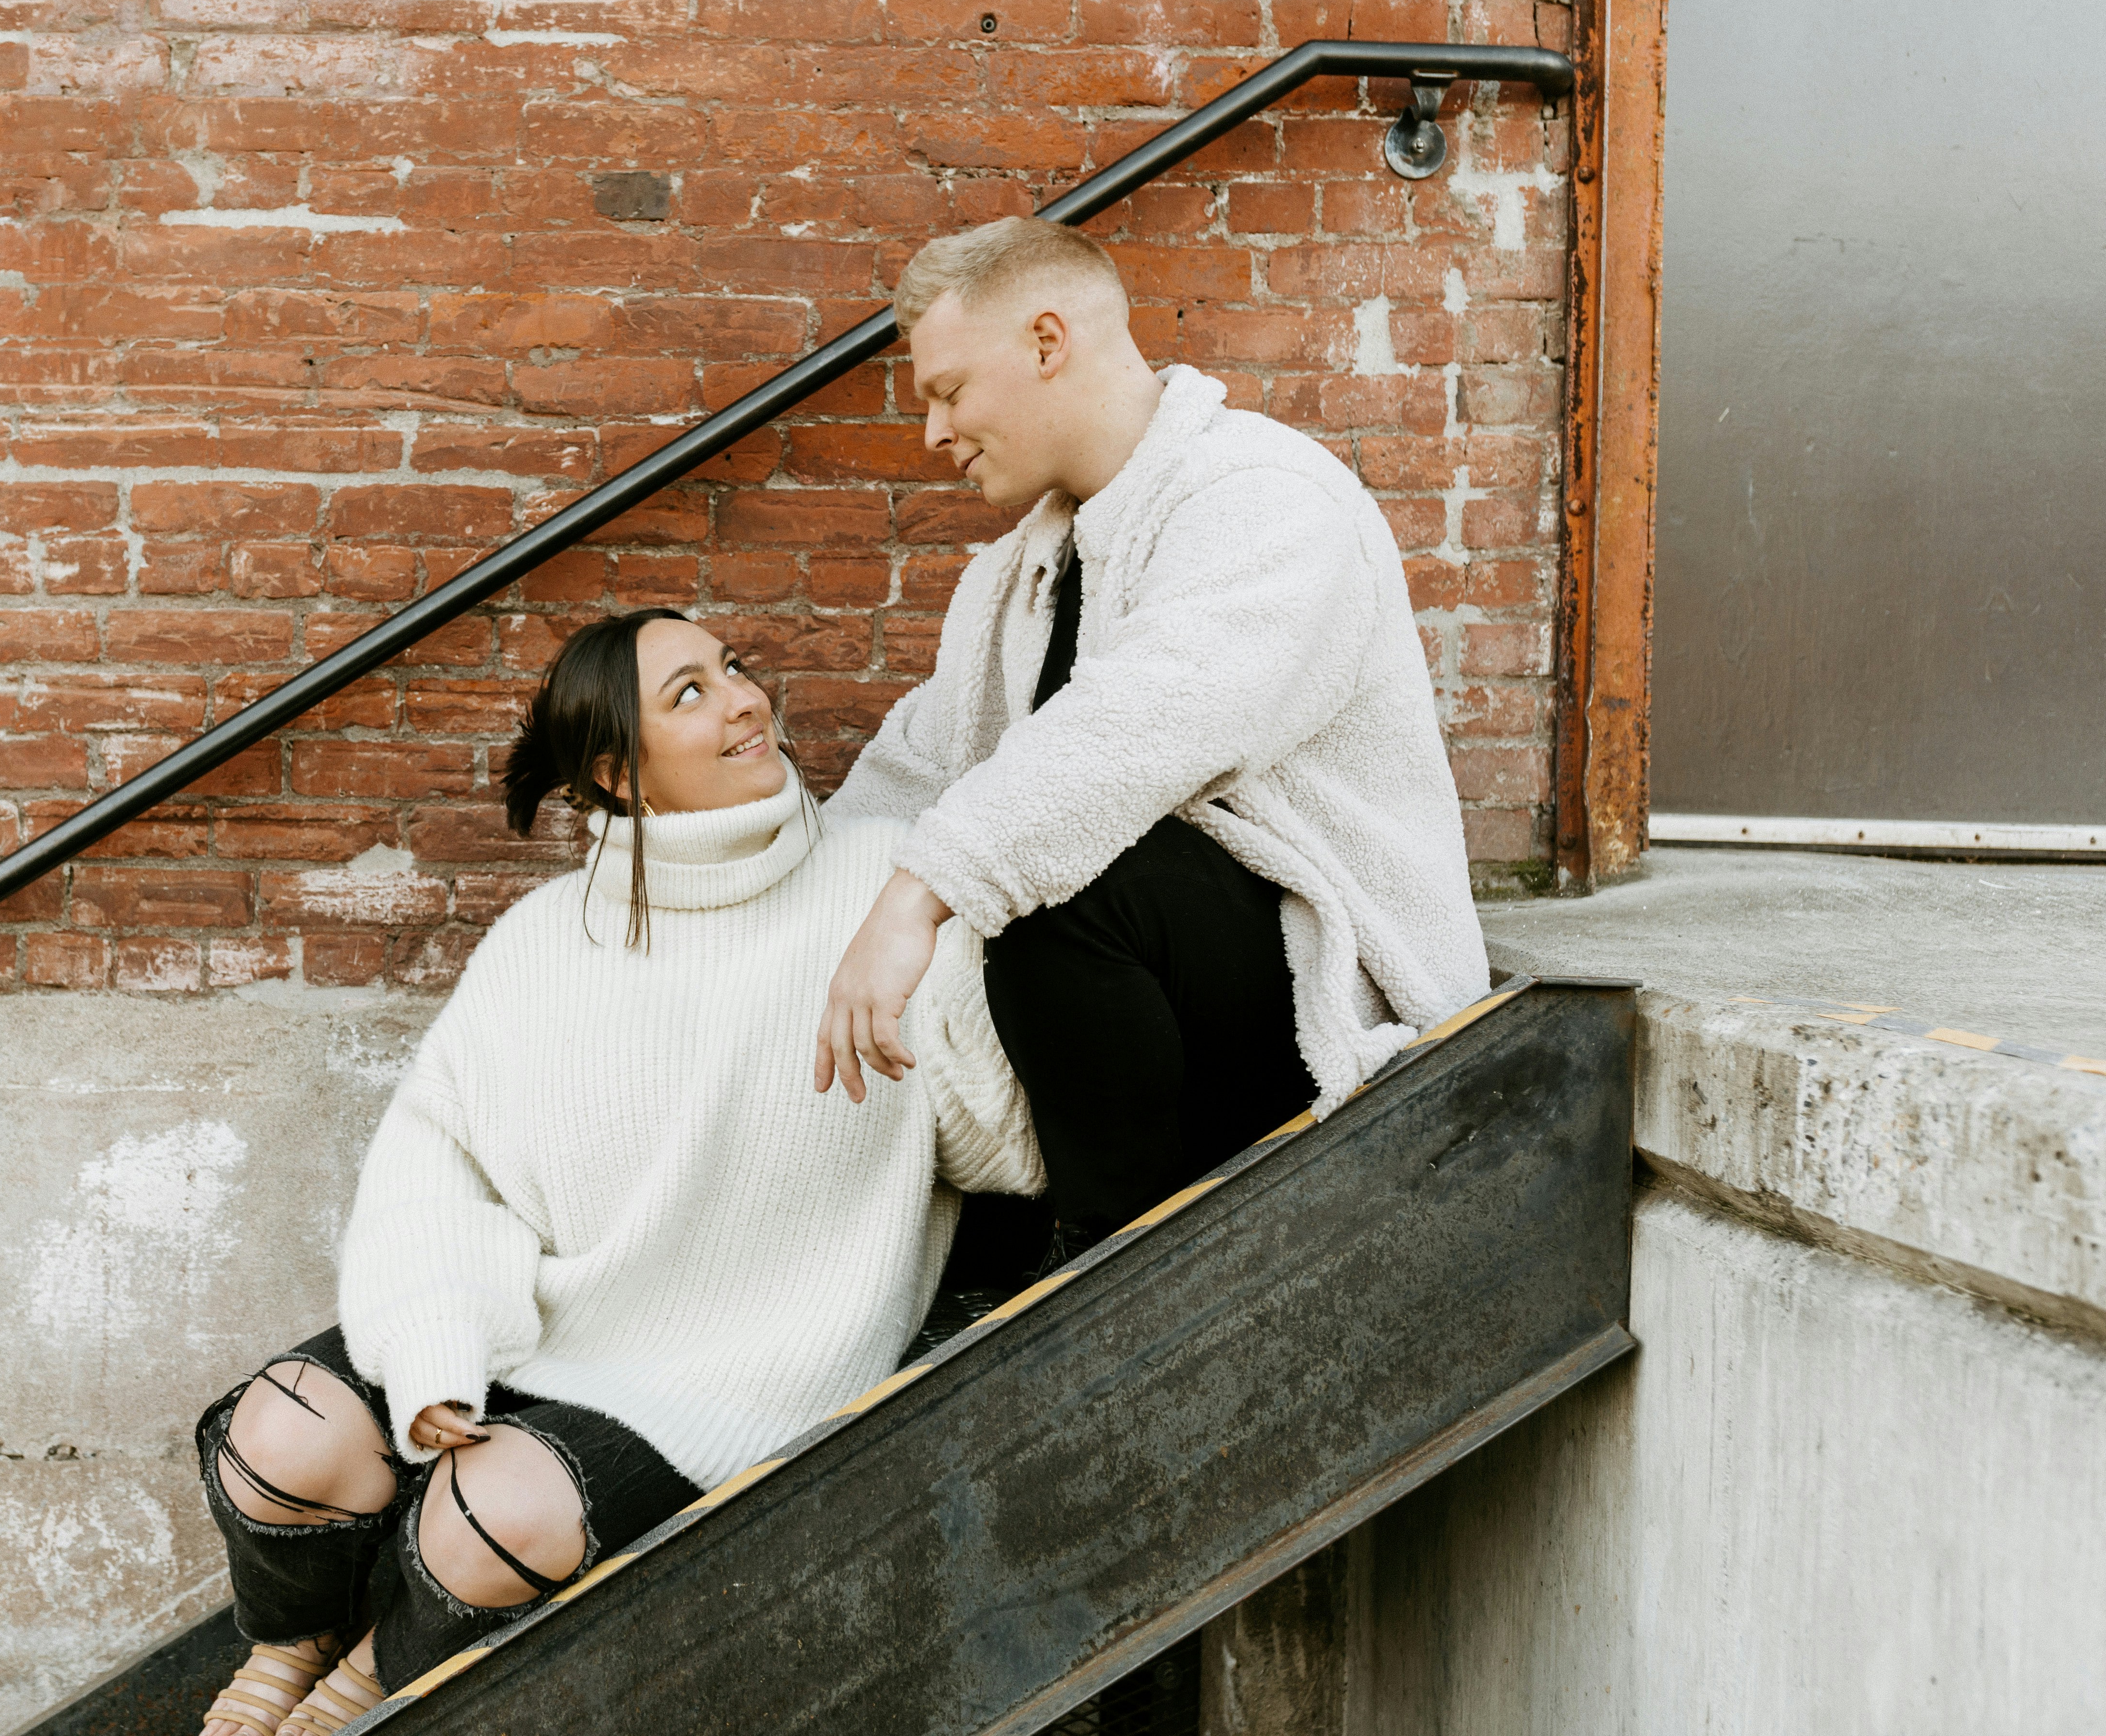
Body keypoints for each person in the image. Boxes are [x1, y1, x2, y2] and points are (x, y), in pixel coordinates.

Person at [194, 609, 1042, 1736]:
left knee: (488, 1522)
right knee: (287, 1431)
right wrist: (442, 1346)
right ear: (618, 773)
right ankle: (285, 1641)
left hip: (729, 1365)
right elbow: (439, 1163)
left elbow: (1002, 1149)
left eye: (735, 665)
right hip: (539, 1313)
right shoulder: (546, 934)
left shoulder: (881, 892)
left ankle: (359, 1683)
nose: (746, 699)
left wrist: (948, 984)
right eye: (690, 693)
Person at [814, 214, 1489, 1272]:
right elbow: (912, 770)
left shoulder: (1266, 496)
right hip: (1145, 1021)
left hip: (1325, 1003)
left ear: (1047, 342)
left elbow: (1139, 729)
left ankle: (1108, 1274)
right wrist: (783, 901)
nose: (934, 434)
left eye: (947, 391)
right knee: (1024, 889)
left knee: (1067, 885)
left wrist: (915, 898)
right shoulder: (1016, 572)